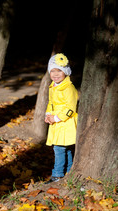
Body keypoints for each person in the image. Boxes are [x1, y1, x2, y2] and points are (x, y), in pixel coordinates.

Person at [44, 53, 79, 184]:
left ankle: (57, 175)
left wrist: (57, 118)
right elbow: (51, 102)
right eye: (52, 71)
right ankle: (69, 171)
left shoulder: (68, 87)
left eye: (59, 70)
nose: (55, 74)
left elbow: (71, 108)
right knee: (66, 148)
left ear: (65, 71)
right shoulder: (53, 86)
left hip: (66, 122)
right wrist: (48, 115)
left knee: (59, 148)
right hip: (56, 121)